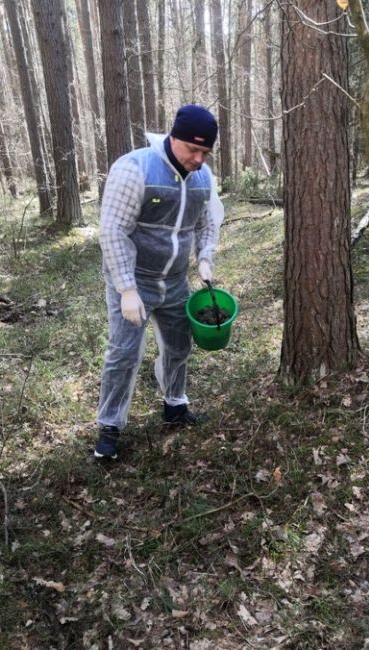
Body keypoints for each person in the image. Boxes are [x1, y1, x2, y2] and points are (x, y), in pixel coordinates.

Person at [94, 104, 224, 459]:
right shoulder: (134, 169)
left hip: (176, 281)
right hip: (135, 280)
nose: (198, 158)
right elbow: (113, 230)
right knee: (124, 354)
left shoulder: (202, 178)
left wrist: (206, 257)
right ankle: (109, 425)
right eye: (192, 149)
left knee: (179, 346)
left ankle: (175, 404)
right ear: (173, 138)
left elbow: (207, 223)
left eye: (205, 152)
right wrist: (126, 289)